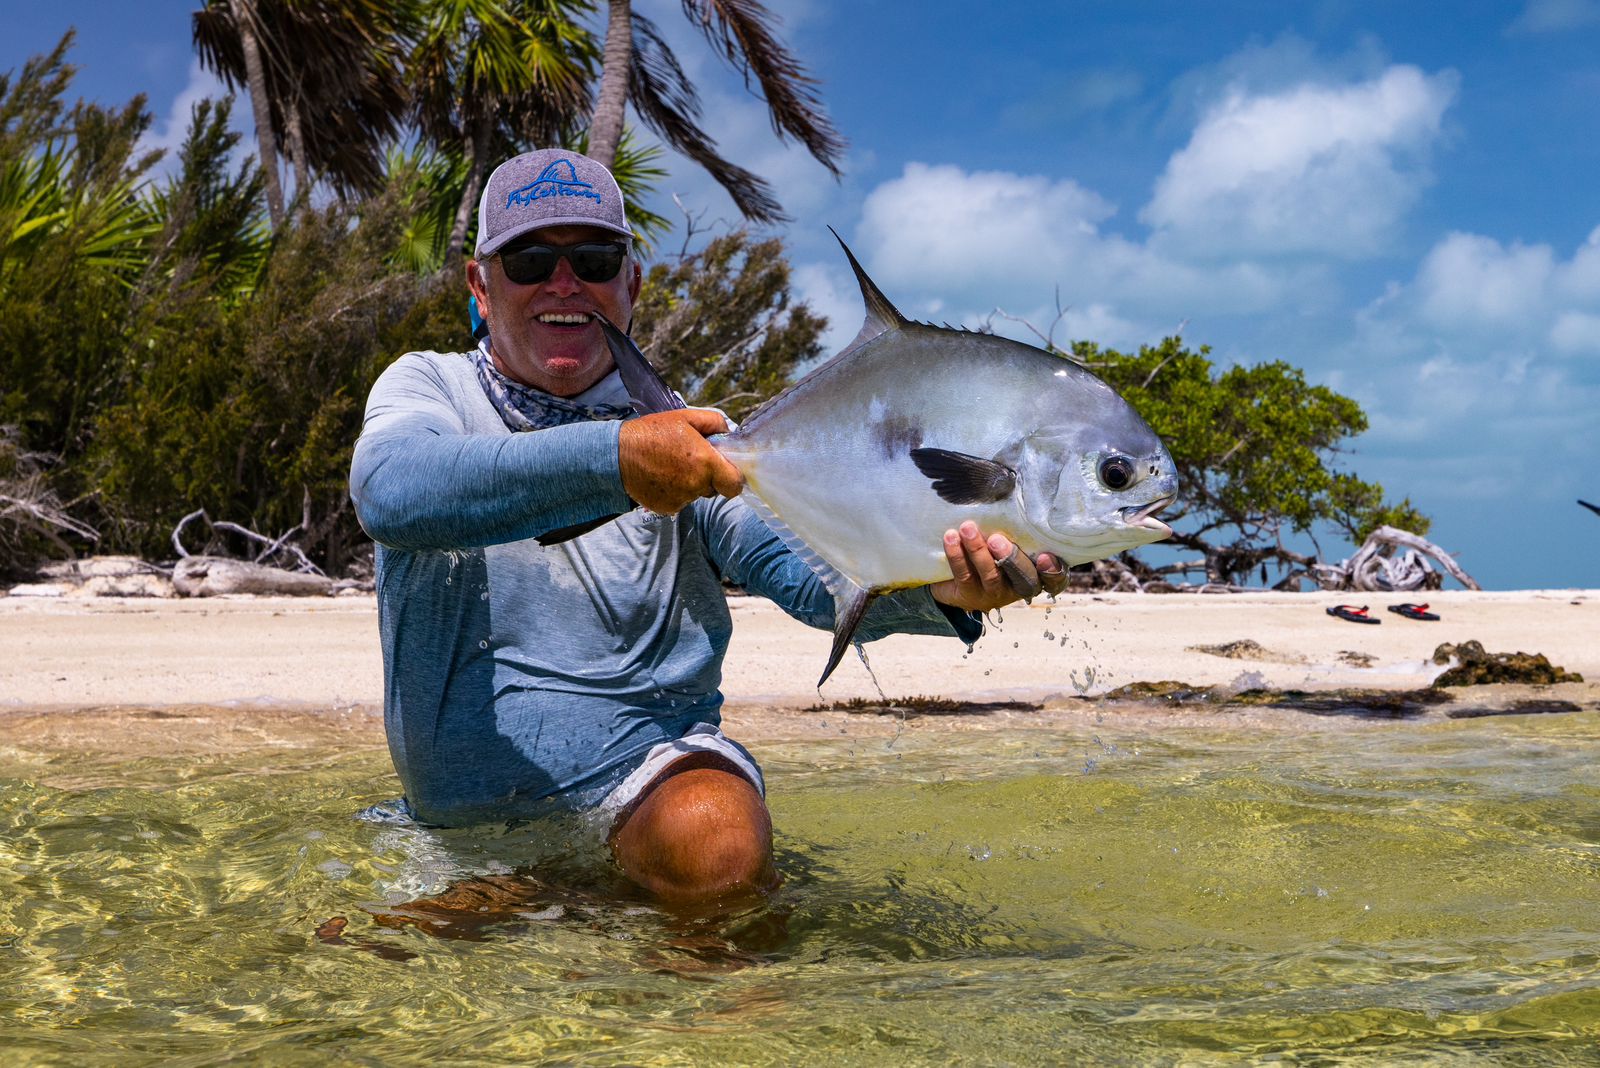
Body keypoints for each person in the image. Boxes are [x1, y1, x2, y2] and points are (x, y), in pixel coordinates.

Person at [348, 149, 1066, 907]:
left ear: (631, 283)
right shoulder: (430, 387)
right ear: (480, 285)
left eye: (594, 259)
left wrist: (942, 592)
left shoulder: (690, 440)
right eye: (529, 261)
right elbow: (391, 493)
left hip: (645, 789)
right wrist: (616, 459)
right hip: (458, 834)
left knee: (718, 850)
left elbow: (811, 580)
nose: (564, 282)